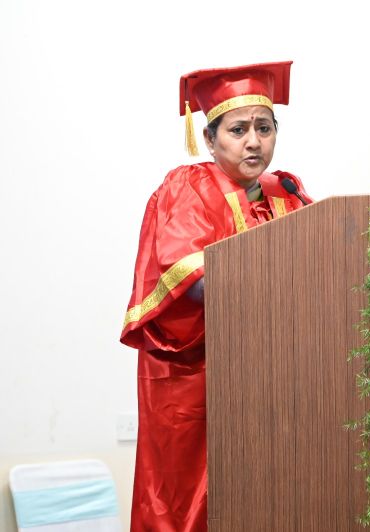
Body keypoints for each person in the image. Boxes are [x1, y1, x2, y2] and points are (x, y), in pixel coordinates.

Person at [120, 61, 312, 531]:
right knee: (189, 502)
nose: (254, 141)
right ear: (209, 139)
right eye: (238, 129)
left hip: (270, 381)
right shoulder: (189, 188)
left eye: (264, 128)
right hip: (195, 378)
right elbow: (189, 279)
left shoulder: (287, 192)